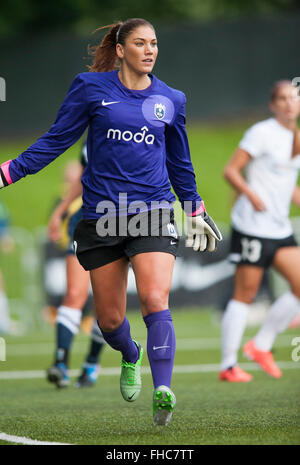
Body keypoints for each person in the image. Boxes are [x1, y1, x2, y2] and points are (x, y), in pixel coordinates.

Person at [0, 18, 222, 425]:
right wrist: (9, 172)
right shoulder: (90, 87)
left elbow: (179, 161)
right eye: (140, 43)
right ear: (121, 50)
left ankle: (163, 389)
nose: (150, 50)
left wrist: (193, 207)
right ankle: (131, 354)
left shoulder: (172, 99)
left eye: (154, 43)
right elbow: (56, 139)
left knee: (156, 300)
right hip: (101, 217)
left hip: (153, 212)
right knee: (111, 321)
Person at [219, 79, 300, 382]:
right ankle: (228, 365)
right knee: (245, 295)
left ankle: (261, 345)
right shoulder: (261, 133)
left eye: (294, 98)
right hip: (252, 226)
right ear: (273, 104)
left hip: (278, 228)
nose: (289, 103)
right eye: (282, 98)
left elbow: (287, 186)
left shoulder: (296, 138)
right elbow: (231, 171)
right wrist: (251, 194)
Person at [47, 144, 106, 388]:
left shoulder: (140, 127)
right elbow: (83, 178)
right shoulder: (91, 139)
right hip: (85, 218)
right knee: (74, 294)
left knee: (107, 305)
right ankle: (60, 364)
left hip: (122, 218)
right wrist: (60, 211)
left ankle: (91, 363)